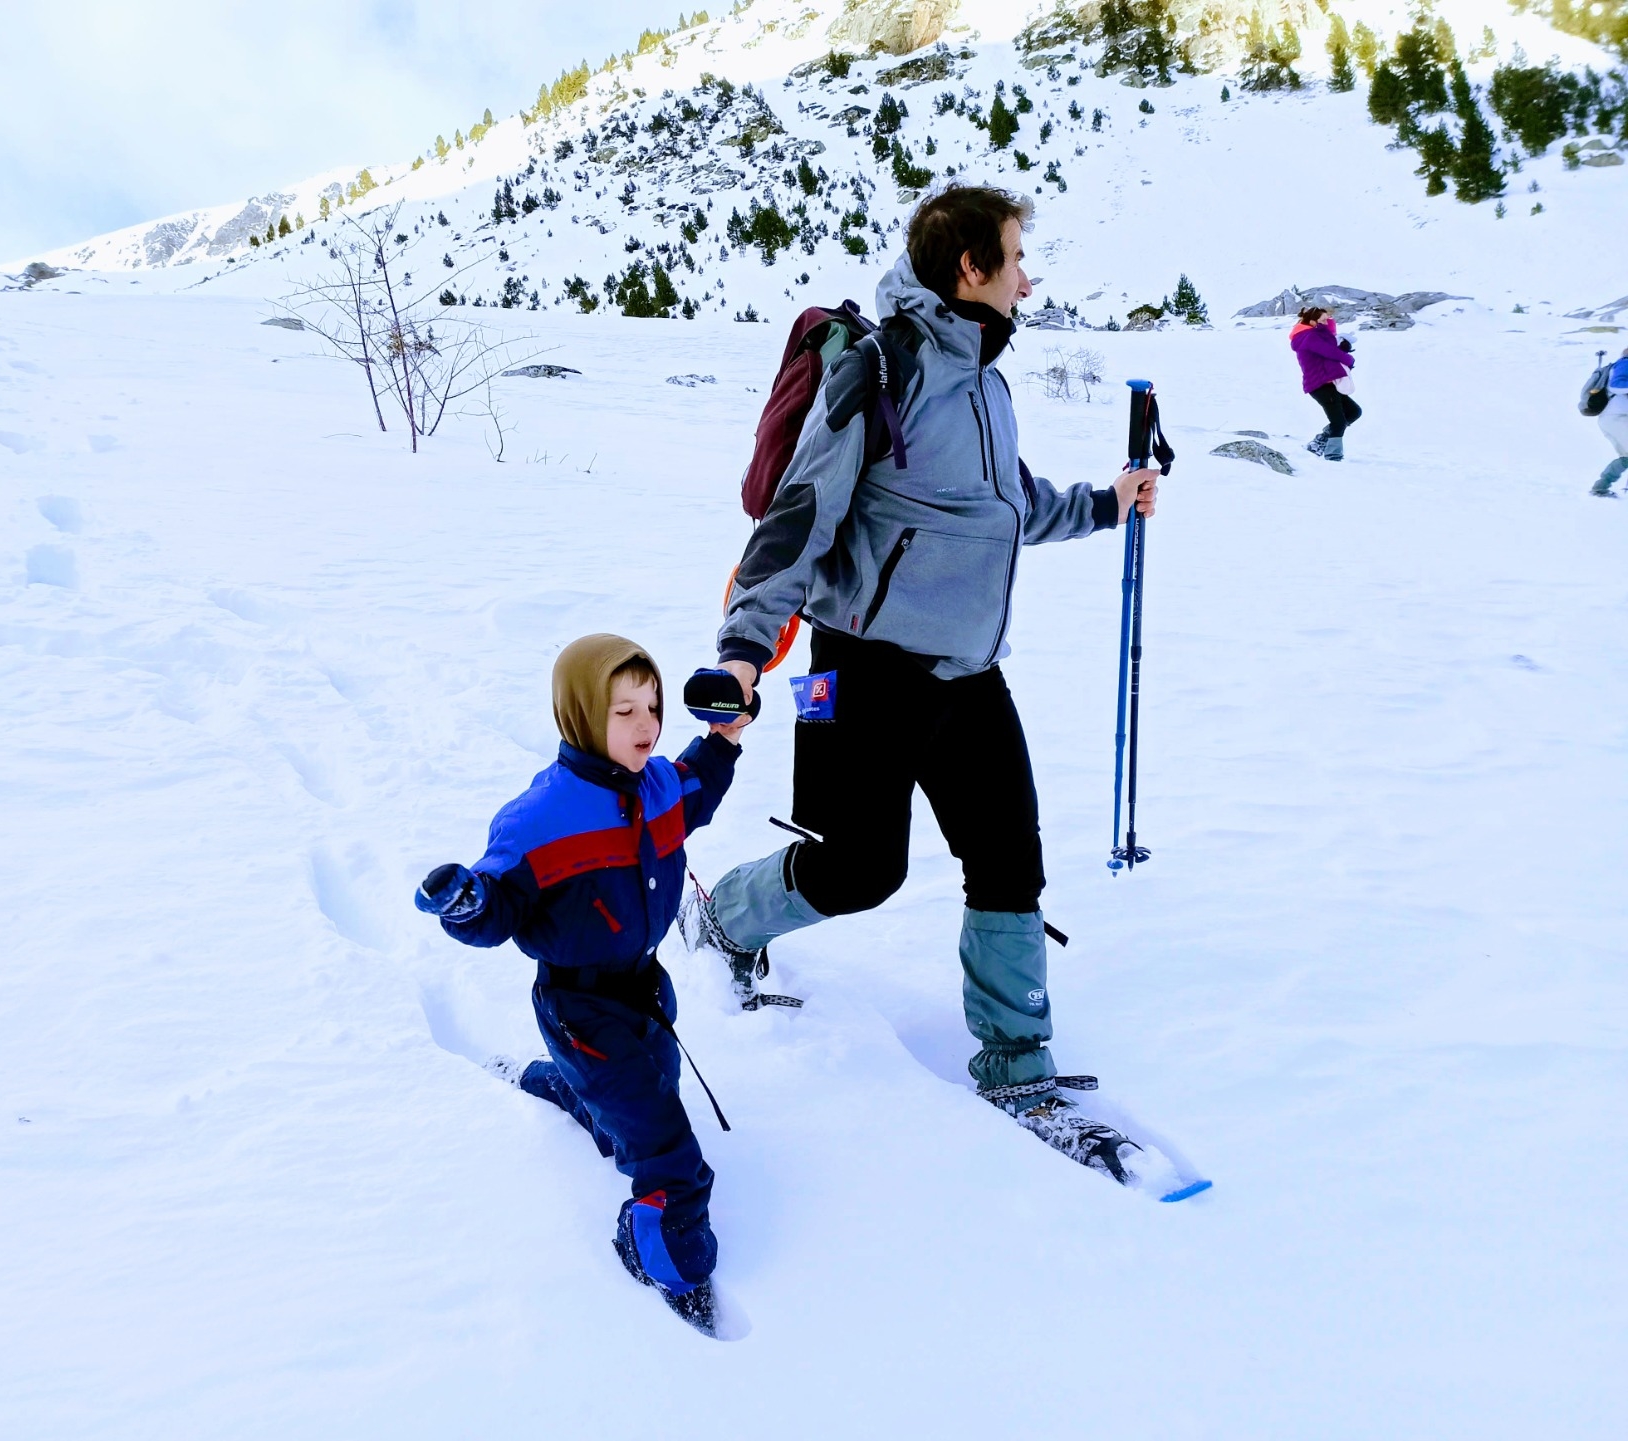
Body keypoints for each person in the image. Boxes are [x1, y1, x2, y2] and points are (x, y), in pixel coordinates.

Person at [679, 185, 1160, 1178]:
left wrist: (1106, 504)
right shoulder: (880, 368)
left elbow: (1004, 504)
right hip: (863, 670)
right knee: (860, 870)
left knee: (1009, 860)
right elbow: (799, 519)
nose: (1030, 277)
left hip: (970, 673)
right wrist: (741, 648)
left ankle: (1017, 1065)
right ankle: (725, 916)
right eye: (1017, 258)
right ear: (969, 269)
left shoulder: (986, 376)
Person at [413, 634, 748, 1334]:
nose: (647, 725)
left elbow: (698, 788)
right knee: (668, 1150)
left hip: (644, 988)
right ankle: (667, 1252)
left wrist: (723, 739)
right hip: (578, 1006)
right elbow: (498, 903)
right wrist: (467, 902)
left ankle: (572, 1091)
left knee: (648, 1090)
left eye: (651, 705)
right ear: (580, 717)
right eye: (623, 710)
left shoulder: (655, 784)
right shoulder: (542, 816)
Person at [1291, 306, 1360, 461]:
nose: (1326, 323)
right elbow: (1331, 352)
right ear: (1313, 322)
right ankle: (1333, 455)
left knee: (1354, 412)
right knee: (1339, 422)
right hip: (1320, 385)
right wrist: (1348, 358)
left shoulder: (1311, 335)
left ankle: (1319, 442)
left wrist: (1342, 349)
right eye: (1323, 320)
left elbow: (1328, 350)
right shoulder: (1309, 337)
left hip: (1328, 384)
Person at [1591, 346, 1628, 498]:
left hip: (1612, 418)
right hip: (1617, 417)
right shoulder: (1625, 363)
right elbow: (1616, 385)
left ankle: (1600, 487)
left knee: (1626, 457)